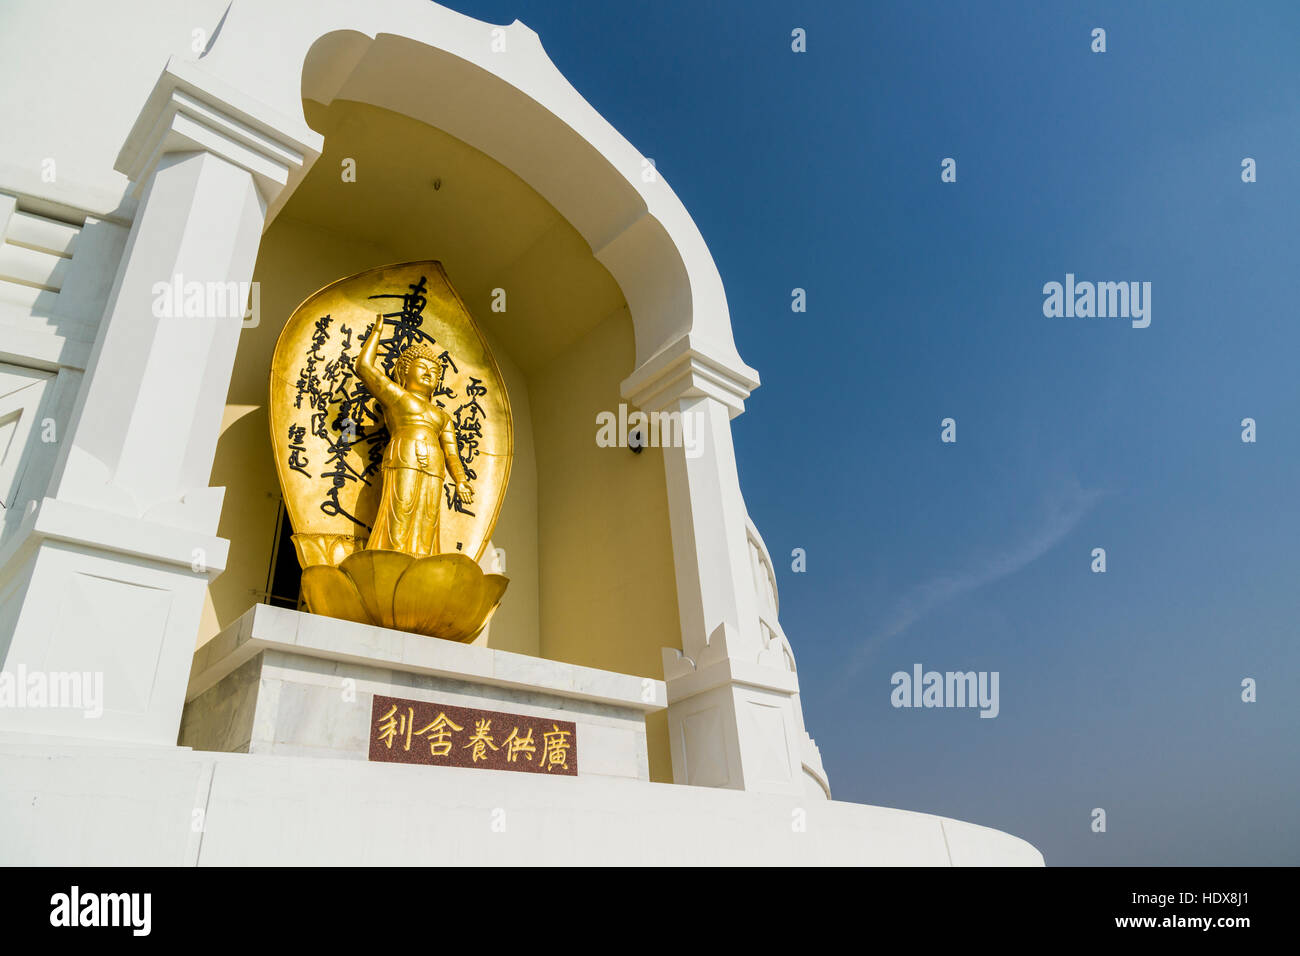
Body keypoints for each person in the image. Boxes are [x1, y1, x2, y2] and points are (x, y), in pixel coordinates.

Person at [354, 314, 472, 556]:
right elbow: (364, 368)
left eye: (435, 372)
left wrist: (460, 480)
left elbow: (452, 453)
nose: (430, 375)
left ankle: (422, 558)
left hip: (435, 466)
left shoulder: (442, 416)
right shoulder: (397, 397)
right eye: (423, 368)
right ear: (405, 371)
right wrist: (376, 334)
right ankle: (392, 554)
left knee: (428, 516)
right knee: (401, 508)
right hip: (404, 456)